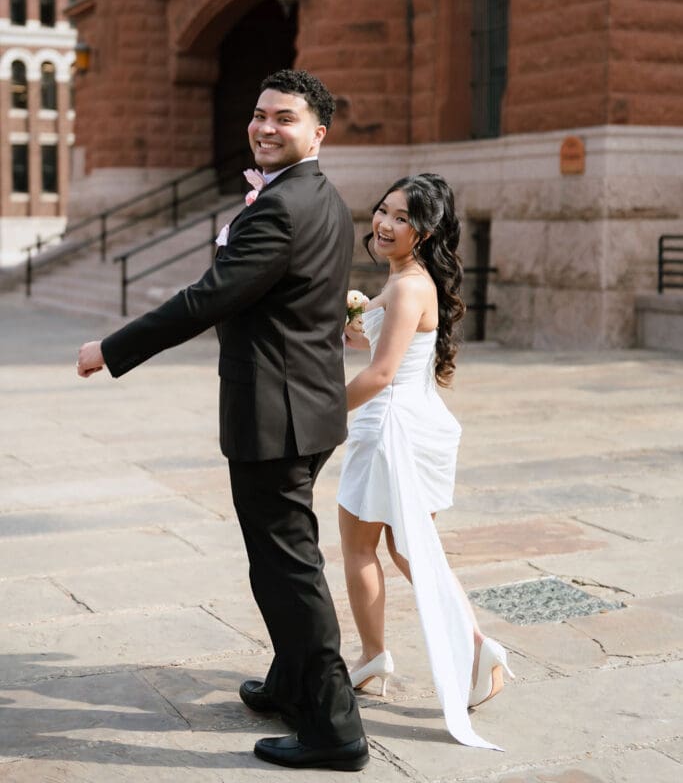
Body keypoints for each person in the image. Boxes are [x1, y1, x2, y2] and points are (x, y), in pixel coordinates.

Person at [77, 69, 368, 772]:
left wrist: (112, 349)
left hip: (276, 415)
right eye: (260, 114)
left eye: (285, 118)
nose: (266, 126)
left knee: (287, 569)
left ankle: (334, 730)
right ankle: (288, 683)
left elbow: (207, 298)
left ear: (317, 133)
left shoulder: (280, 208)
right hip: (307, 406)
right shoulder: (321, 197)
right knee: (281, 557)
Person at [337, 173, 513, 750]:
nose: (385, 224)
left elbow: (382, 373)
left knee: (363, 547)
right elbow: (381, 345)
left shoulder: (409, 286)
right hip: (408, 421)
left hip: (390, 426)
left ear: (427, 231)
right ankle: (451, 648)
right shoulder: (408, 280)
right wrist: (356, 316)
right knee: (409, 549)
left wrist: (321, 412)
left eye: (402, 218)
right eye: (384, 211)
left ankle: (394, 654)